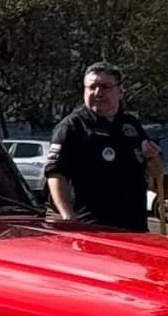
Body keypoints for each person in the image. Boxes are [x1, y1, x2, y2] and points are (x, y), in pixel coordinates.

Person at [44, 62, 161, 234]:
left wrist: (153, 157)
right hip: (93, 229)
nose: (98, 93)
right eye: (92, 87)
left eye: (105, 87)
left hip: (135, 228)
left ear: (120, 91)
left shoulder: (131, 125)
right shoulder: (73, 127)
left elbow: (156, 171)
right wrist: (68, 216)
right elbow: (55, 174)